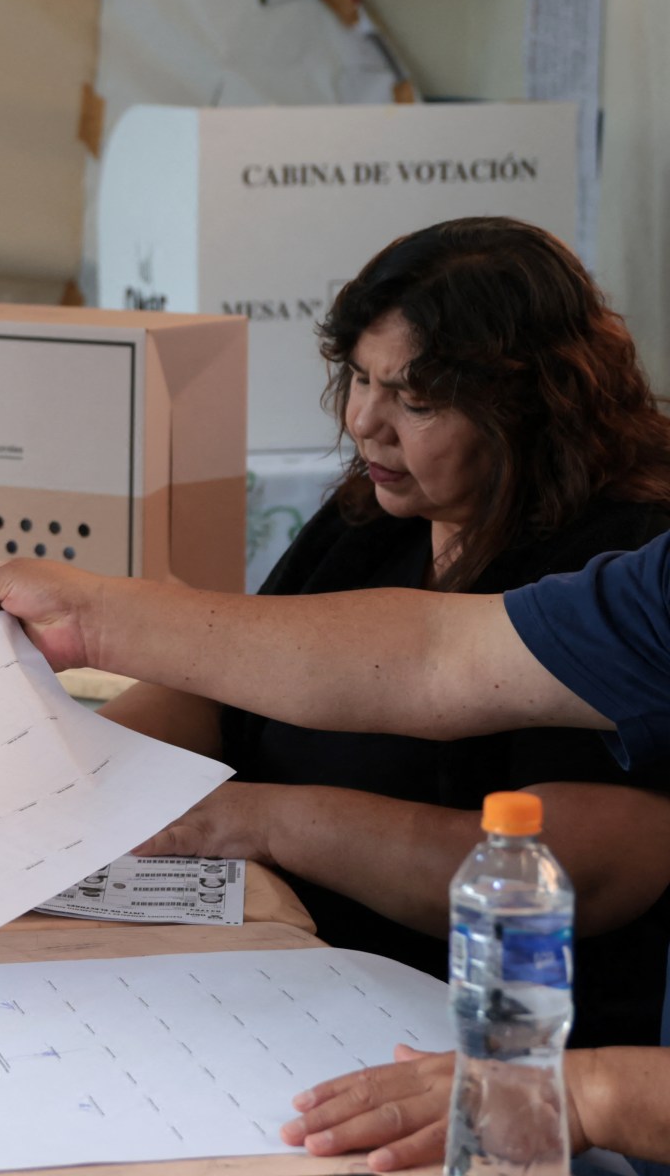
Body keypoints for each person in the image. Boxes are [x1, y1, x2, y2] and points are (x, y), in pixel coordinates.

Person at [95, 218, 670, 1047]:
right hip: (281, 972)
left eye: (417, 400)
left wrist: (267, 821)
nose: (365, 420)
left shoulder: (625, 556)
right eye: (360, 379)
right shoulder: (377, 508)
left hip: (478, 1033)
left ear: (537, 406)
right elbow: (223, 692)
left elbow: (581, 873)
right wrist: (70, 765)